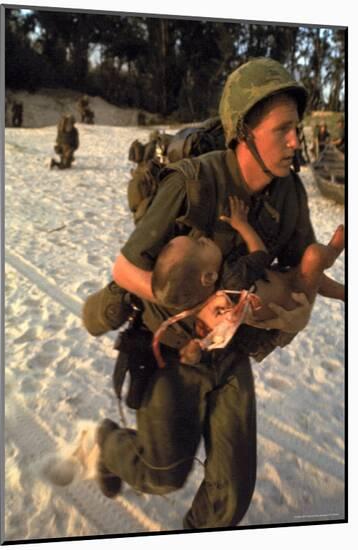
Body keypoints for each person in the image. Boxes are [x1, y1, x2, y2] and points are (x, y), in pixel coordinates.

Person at [82, 58, 344, 528]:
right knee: (162, 473)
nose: (294, 141)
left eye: (296, 128)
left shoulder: (290, 194)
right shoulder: (193, 183)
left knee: (231, 498)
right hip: (170, 344)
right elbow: (124, 269)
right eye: (283, 129)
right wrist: (196, 304)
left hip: (230, 350)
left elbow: (302, 266)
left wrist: (319, 298)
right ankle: (103, 442)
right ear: (245, 132)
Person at [150, 196, 344, 367]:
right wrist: (241, 224)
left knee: (318, 279)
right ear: (208, 277)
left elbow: (207, 337)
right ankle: (333, 251)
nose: (204, 239)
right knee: (314, 256)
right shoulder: (234, 279)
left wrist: (195, 347)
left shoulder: (206, 312)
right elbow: (260, 254)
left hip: (286, 281)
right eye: (200, 244)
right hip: (294, 299)